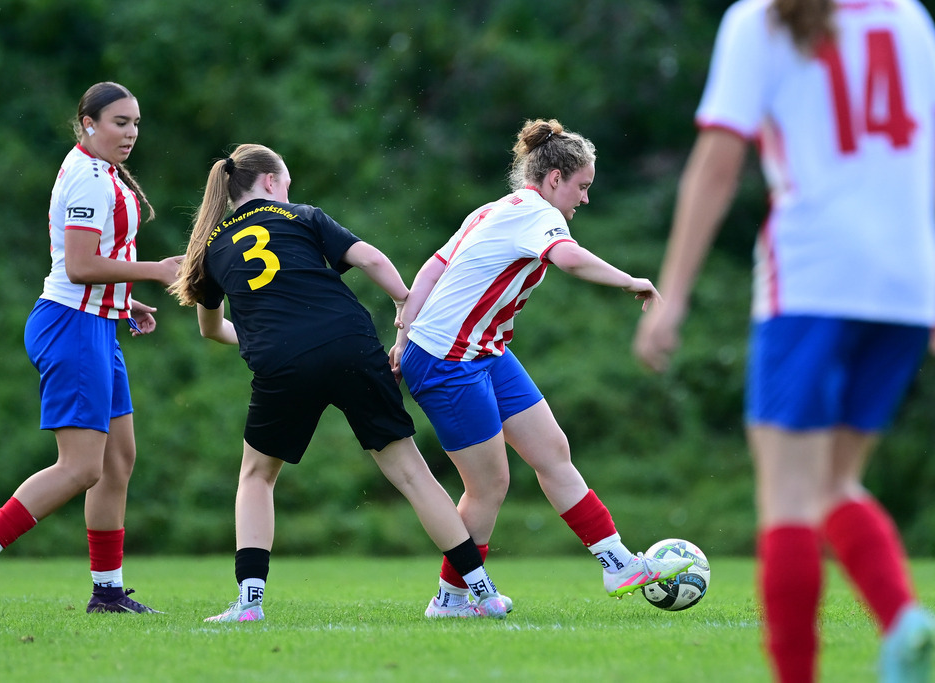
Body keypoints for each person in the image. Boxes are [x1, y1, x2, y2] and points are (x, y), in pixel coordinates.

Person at [632, 1, 935, 680]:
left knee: (790, 497)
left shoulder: (762, 19)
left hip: (813, 279)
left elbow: (717, 163)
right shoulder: (909, 18)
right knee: (835, 483)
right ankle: (903, 619)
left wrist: (672, 294)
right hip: (907, 286)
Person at [169, 143, 508, 623]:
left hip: (281, 363)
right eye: (286, 183)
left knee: (256, 476)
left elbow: (211, 329)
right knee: (412, 474)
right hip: (350, 344)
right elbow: (370, 259)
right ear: (270, 183)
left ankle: (249, 604)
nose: (289, 192)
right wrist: (401, 308)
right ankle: (482, 592)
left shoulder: (212, 248)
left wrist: (269, 334)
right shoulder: (302, 216)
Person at [388, 118, 693, 619]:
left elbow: (430, 269)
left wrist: (401, 336)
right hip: (447, 360)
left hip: (484, 350)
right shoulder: (534, 212)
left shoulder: (494, 209)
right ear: (554, 179)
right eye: (582, 186)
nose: (585, 199)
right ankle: (451, 600)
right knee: (489, 485)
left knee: (553, 451)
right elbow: (568, 259)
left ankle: (617, 563)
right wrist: (631, 281)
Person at [0, 82, 182, 616]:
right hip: (71, 325)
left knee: (118, 460)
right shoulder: (91, 179)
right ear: (89, 123)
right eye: (120, 122)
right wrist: (155, 272)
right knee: (81, 467)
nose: (131, 133)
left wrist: (125, 303)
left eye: (136, 123)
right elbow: (78, 265)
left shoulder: (99, 171)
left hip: (95, 322)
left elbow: (91, 265)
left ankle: (108, 592)